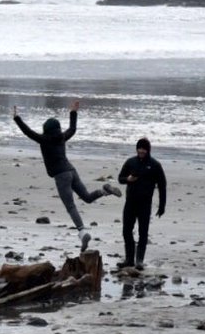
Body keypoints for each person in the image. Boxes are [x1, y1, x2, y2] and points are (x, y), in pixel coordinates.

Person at [12, 100, 122, 253]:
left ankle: (82, 232)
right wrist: (73, 112)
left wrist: (17, 118)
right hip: (71, 170)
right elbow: (73, 129)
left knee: (70, 206)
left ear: (46, 129)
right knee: (87, 197)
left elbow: (28, 132)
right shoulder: (62, 137)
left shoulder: (44, 139)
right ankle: (105, 191)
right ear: (58, 128)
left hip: (61, 175)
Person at [116, 137, 167, 270]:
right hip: (130, 202)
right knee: (126, 231)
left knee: (143, 233)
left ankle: (139, 260)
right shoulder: (130, 162)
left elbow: (162, 186)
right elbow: (120, 178)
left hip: (145, 204)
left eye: (144, 149)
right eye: (139, 148)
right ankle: (129, 259)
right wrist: (128, 179)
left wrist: (162, 206)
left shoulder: (155, 165)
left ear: (148, 150)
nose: (141, 151)